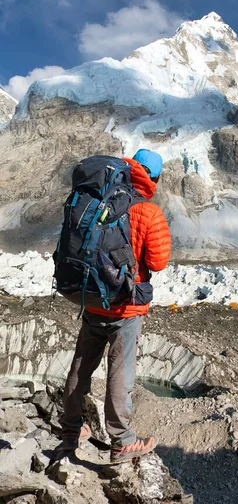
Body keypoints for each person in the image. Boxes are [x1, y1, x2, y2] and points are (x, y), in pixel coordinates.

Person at [57, 149, 171, 464]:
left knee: (80, 368)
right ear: (154, 178)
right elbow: (158, 262)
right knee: (120, 375)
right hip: (125, 308)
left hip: (92, 299)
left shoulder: (98, 200)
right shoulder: (148, 211)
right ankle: (121, 442)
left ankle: (69, 433)